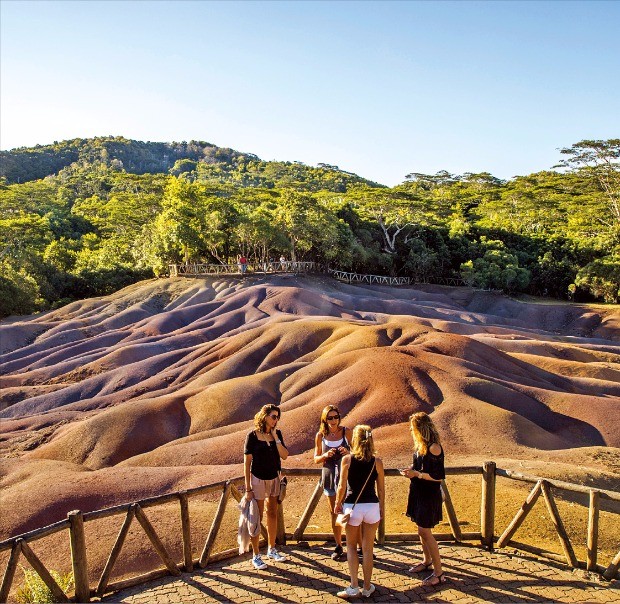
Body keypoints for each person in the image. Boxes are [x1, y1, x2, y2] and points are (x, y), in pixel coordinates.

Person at [334, 425, 385, 599]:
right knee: (368, 549)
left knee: (351, 547)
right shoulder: (377, 462)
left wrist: (337, 503)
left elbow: (341, 486)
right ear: (370, 439)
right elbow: (381, 489)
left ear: (354, 440)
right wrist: (382, 508)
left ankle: (354, 586)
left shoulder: (347, 460)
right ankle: (368, 587)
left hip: (352, 507)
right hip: (372, 507)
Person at [400, 412, 447, 586]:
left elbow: (438, 476)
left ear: (420, 428)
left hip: (428, 495)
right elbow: (420, 466)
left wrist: (417, 474)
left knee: (426, 532)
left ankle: (439, 573)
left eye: (413, 427)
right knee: (421, 531)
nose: (411, 431)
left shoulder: (435, 447)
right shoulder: (421, 446)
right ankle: (426, 562)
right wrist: (411, 470)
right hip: (418, 492)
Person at [244, 404, 289, 570]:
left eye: (278, 417)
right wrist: (248, 488)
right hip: (258, 479)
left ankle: (272, 549)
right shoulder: (252, 436)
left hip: (274, 478)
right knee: (257, 516)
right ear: (264, 416)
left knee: (272, 513)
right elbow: (247, 463)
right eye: (273, 416)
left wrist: (276, 437)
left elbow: (284, 455)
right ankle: (256, 555)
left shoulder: (277, 435)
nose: (276, 420)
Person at [313, 405, 352, 561]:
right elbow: (315, 458)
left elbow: (359, 452)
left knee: (350, 511)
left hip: (347, 478)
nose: (334, 420)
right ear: (324, 419)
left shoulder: (346, 432)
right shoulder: (320, 435)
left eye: (336, 417)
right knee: (334, 512)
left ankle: (356, 546)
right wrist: (325, 455)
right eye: (330, 417)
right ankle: (338, 545)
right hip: (329, 477)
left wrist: (348, 452)